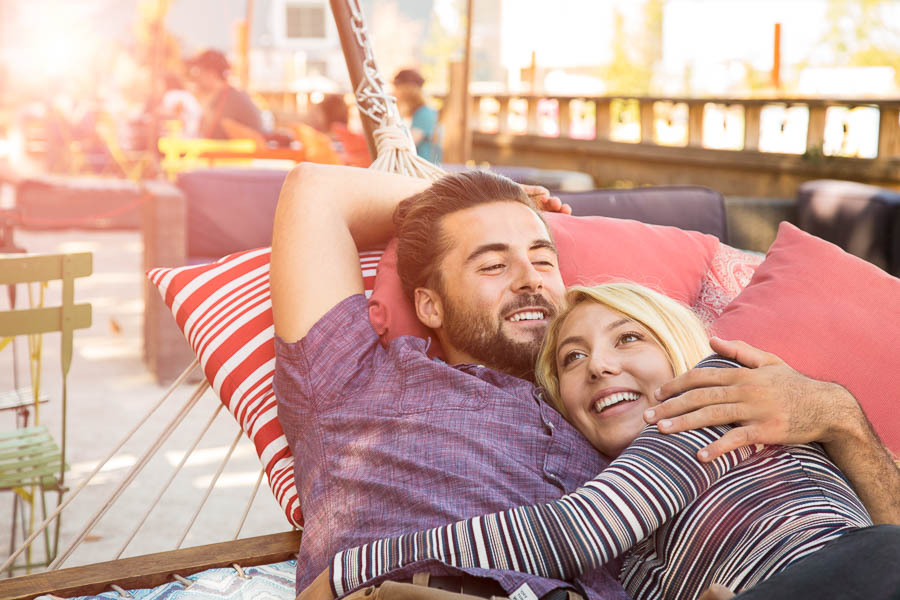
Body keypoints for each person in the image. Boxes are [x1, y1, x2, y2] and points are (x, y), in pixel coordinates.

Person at [271, 163, 900, 600]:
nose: (530, 277)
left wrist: (838, 412)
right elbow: (314, 190)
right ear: (429, 305)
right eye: (493, 263)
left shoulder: (619, 423)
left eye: (544, 257)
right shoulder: (358, 379)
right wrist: (489, 190)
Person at [316, 282, 893, 600]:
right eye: (573, 357)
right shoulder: (628, 542)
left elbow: (571, 532)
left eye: (629, 338)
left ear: (676, 348)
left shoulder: (710, 402)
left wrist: (354, 569)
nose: (599, 366)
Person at [184, 48, 265, 141]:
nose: (195, 77)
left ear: (211, 73)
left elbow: (214, 138)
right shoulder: (226, 95)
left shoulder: (231, 101)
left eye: (198, 71)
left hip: (239, 154)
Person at [392, 69, 442, 164]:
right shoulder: (411, 114)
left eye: (396, 87)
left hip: (423, 173)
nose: (394, 92)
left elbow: (405, 145)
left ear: (406, 89)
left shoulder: (425, 113)